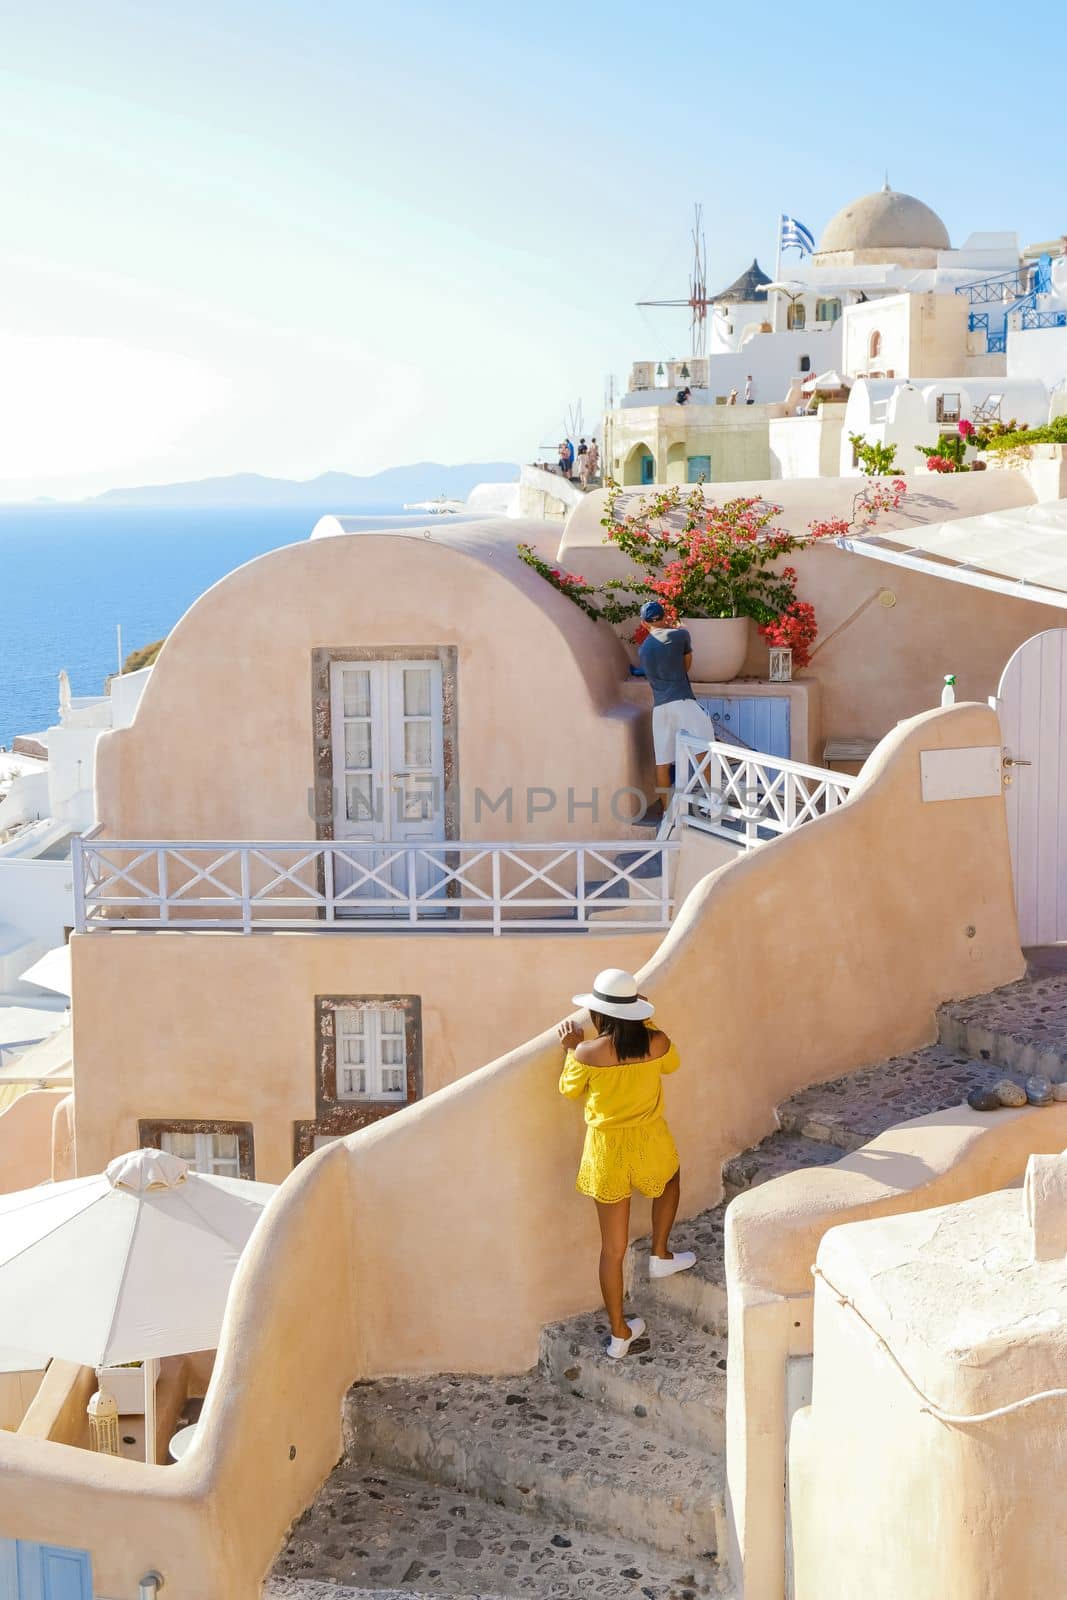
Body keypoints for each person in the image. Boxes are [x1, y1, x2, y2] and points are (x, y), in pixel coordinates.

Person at [557, 968, 695, 1358]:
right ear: (637, 1013)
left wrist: (570, 1048)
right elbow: (673, 1064)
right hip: (649, 1137)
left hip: (606, 1149)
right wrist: (646, 1021)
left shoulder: (587, 1053)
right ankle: (661, 1254)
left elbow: (569, 1090)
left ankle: (620, 1333)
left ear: (599, 1016)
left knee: (612, 1249)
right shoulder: (657, 1042)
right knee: (670, 1181)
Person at [637, 599, 718, 799]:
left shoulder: (643, 649)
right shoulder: (681, 635)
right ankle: (714, 807)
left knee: (663, 762)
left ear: (644, 623)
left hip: (660, 709)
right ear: (665, 617)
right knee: (704, 753)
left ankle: (667, 814)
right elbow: (686, 667)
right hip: (683, 701)